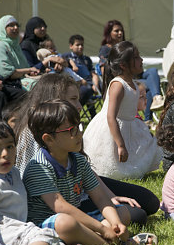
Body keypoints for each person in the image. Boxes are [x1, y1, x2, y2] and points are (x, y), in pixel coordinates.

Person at [14, 73, 159, 222]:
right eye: (73, 100)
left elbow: (83, 168)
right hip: (61, 201)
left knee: (150, 201)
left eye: (78, 99)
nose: (79, 106)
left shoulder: (71, 129)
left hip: (79, 185)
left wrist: (111, 197)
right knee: (136, 214)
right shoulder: (32, 132)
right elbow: (32, 184)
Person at [23, 100, 157, 245]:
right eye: (72, 131)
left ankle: (85, 243)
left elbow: (100, 197)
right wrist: (102, 228)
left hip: (77, 216)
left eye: (79, 127)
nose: (80, 134)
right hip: (49, 225)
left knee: (122, 212)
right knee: (66, 224)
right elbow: (61, 207)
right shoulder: (38, 167)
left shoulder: (78, 159)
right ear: (49, 139)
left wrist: (115, 223)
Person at [84, 41, 161, 180]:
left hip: (129, 125)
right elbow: (111, 117)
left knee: (145, 150)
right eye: (136, 58)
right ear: (123, 65)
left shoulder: (134, 84)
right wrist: (120, 144)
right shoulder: (118, 85)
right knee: (113, 166)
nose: (141, 60)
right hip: (112, 129)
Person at [99, 20, 164, 122]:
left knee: (152, 71)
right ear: (109, 33)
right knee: (149, 86)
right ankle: (148, 118)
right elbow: (104, 69)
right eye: (116, 31)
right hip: (125, 77)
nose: (120, 33)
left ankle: (157, 98)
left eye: (121, 30)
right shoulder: (106, 49)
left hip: (134, 75)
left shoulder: (127, 45)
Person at [0, 15, 40, 91]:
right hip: (7, 83)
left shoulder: (15, 46)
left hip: (20, 79)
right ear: (3, 28)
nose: (15, 28)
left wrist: (30, 73)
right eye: (11, 25)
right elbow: (7, 73)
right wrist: (29, 70)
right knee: (41, 87)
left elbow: (23, 68)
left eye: (17, 25)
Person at [62, 34, 100, 119]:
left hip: (88, 84)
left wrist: (95, 85)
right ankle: (74, 113)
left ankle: (93, 117)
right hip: (73, 84)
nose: (80, 47)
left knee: (89, 89)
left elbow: (93, 74)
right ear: (71, 46)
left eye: (82, 45)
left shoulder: (87, 59)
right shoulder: (66, 57)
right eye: (77, 45)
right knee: (84, 91)